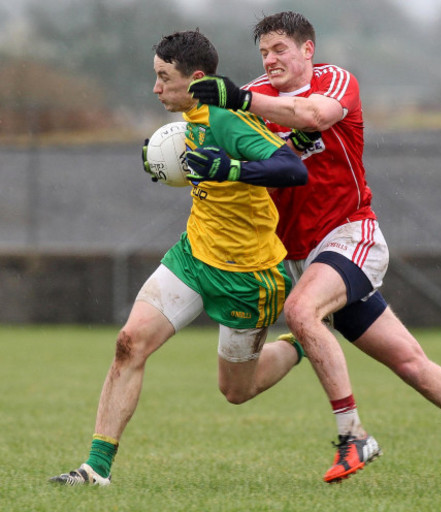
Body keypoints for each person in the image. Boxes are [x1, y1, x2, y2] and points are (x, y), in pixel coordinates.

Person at [188, 11, 441, 483]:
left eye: (279, 49)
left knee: (301, 311)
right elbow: (236, 150)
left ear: (307, 50)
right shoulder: (254, 97)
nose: (270, 60)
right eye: (263, 53)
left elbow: (314, 115)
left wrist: (240, 98)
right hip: (302, 256)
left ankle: (352, 435)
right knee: (412, 364)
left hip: (350, 234)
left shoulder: (334, 81)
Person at [49, 29, 308, 486]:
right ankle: (96, 470)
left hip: (249, 276)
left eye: (164, 78)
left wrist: (230, 168)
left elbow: (292, 169)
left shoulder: (228, 120)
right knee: (129, 344)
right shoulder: (190, 117)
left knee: (235, 391)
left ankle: (305, 339)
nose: (156, 88)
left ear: (197, 79)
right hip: (192, 256)